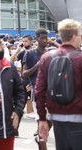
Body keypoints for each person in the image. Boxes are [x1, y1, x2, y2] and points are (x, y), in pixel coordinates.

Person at [35, 19, 82, 150]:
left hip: (56, 117)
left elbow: (39, 91)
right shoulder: (79, 58)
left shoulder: (46, 57)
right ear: (73, 36)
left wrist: (42, 118)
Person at [22, 28, 52, 149]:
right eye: (42, 38)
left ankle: (40, 138)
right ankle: (41, 143)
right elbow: (24, 73)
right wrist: (37, 65)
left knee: (51, 120)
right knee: (41, 121)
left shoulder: (50, 53)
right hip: (38, 91)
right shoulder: (29, 54)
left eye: (46, 38)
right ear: (36, 38)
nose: (45, 40)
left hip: (53, 92)